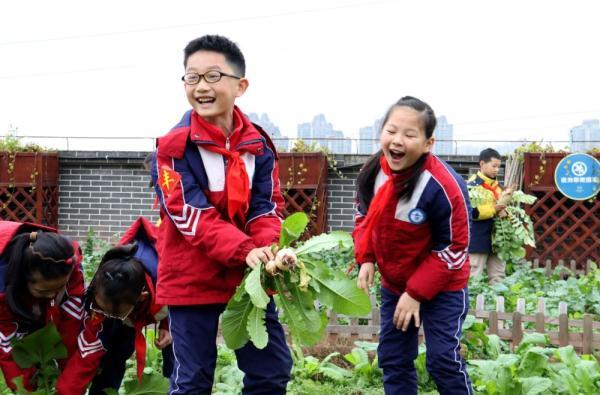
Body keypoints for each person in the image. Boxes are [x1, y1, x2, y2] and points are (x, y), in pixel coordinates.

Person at [150, 34, 292, 394]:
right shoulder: (172, 148)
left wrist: (267, 250)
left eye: (213, 76)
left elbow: (267, 207)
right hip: (190, 278)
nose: (201, 87)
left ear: (240, 85)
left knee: (271, 372)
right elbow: (191, 216)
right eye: (192, 77)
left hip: (247, 281)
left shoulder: (258, 144)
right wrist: (248, 250)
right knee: (192, 381)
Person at [354, 96, 473, 395]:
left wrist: (416, 293)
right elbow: (364, 217)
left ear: (428, 143)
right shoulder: (373, 173)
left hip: (443, 287)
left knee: (443, 360)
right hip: (396, 285)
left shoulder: (444, 185)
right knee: (394, 359)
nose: (397, 141)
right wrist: (366, 257)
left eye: (409, 135)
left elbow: (454, 249)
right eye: (391, 131)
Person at [55, 217, 173, 395]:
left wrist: (167, 325)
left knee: (177, 355)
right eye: (100, 309)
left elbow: (185, 302)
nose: (104, 316)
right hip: (125, 307)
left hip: (168, 303)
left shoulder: (168, 278)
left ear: (141, 298)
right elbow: (88, 352)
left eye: (113, 314)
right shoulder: (106, 289)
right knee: (112, 354)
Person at [0, 220, 84, 391]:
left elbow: (71, 328)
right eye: (44, 291)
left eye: (59, 288)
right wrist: (27, 391)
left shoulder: (67, 262)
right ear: (24, 280)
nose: (53, 295)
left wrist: (69, 385)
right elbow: (9, 349)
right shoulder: (3, 287)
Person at [468, 148, 512, 285]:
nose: (497, 170)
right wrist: (493, 209)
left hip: (498, 239)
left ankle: (497, 305)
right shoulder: (471, 186)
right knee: (472, 277)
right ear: (482, 164)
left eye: (499, 166)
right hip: (478, 238)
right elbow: (470, 212)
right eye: (494, 166)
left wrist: (507, 215)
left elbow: (507, 210)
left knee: (498, 277)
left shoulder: (500, 188)